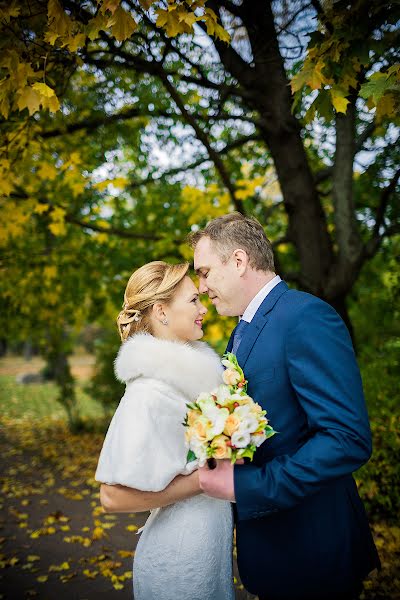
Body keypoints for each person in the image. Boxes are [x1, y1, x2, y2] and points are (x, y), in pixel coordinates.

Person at [189, 213, 380, 600]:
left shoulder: (306, 317)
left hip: (313, 551)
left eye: (206, 272)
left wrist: (248, 486)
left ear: (239, 261)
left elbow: (347, 439)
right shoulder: (241, 330)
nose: (202, 286)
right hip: (272, 552)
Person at [95, 261, 235, 600]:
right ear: (161, 311)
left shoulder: (187, 385)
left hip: (209, 551)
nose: (204, 309)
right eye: (192, 301)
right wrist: (203, 480)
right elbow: (111, 497)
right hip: (179, 562)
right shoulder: (149, 391)